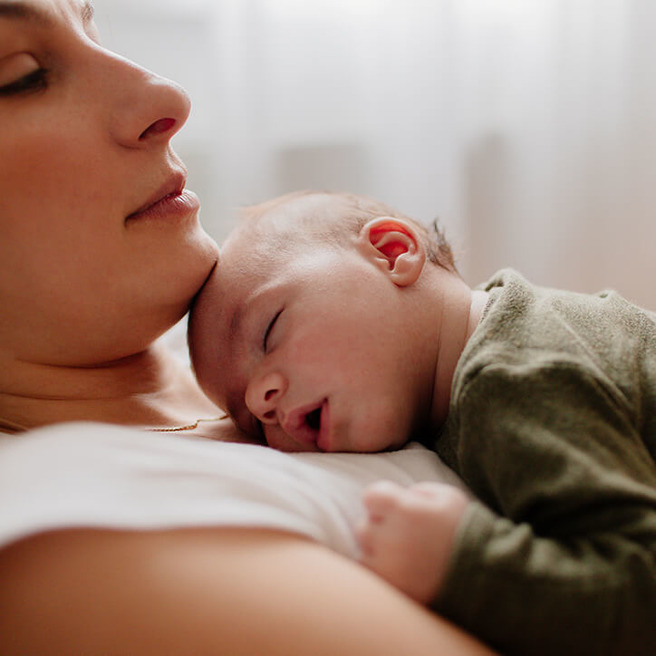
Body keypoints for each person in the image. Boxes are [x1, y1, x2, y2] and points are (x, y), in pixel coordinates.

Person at [0, 2, 501, 655]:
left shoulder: (283, 345)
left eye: (96, 29)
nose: (167, 96)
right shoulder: (73, 528)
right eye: (21, 73)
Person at [188, 189, 656, 656]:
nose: (260, 398)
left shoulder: (516, 378)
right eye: (251, 420)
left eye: (269, 331)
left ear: (393, 253)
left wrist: (463, 563)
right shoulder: (507, 327)